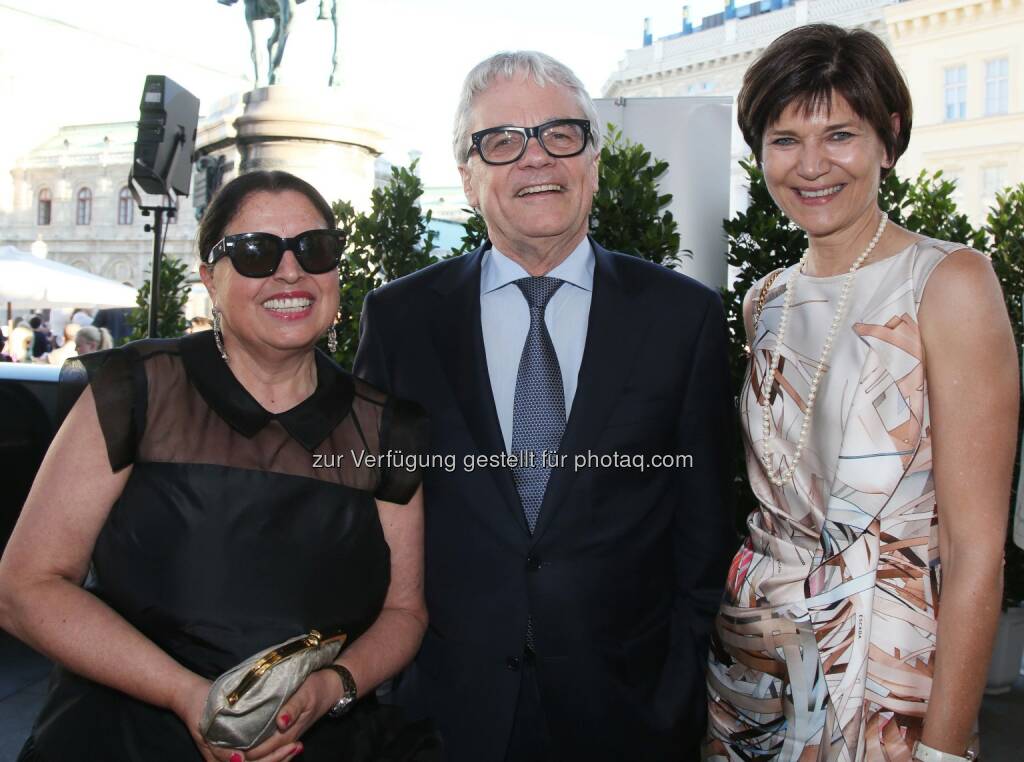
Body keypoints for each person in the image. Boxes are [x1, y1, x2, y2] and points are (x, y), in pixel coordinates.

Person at [354, 51, 735, 761]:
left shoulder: (683, 318)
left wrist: (679, 686)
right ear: (467, 178)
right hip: (443, 717)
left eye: (560, 133)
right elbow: (369, 518)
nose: (535, 159)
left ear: (593, 157)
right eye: (501, 141)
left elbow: (704, 529)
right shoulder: (400, 319)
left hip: (627, 716)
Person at [0, 170, 438, 762]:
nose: (290, 271)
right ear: (209, 276)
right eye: (256, 252)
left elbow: (404, 611)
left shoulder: (389, 428)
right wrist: (188, 697)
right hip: (124, 738)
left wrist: (334, 686)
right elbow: (24, 588)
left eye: (314, 248)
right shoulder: (136, 392)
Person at [704, 24, 1020, 762]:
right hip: (753, 659)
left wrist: (941, 749)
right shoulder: (766, 300)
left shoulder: (949, 284)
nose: (811, 165)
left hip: (888, 672)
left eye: (839, 134)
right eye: (784, 139)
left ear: (889, 139)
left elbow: (977, 551)